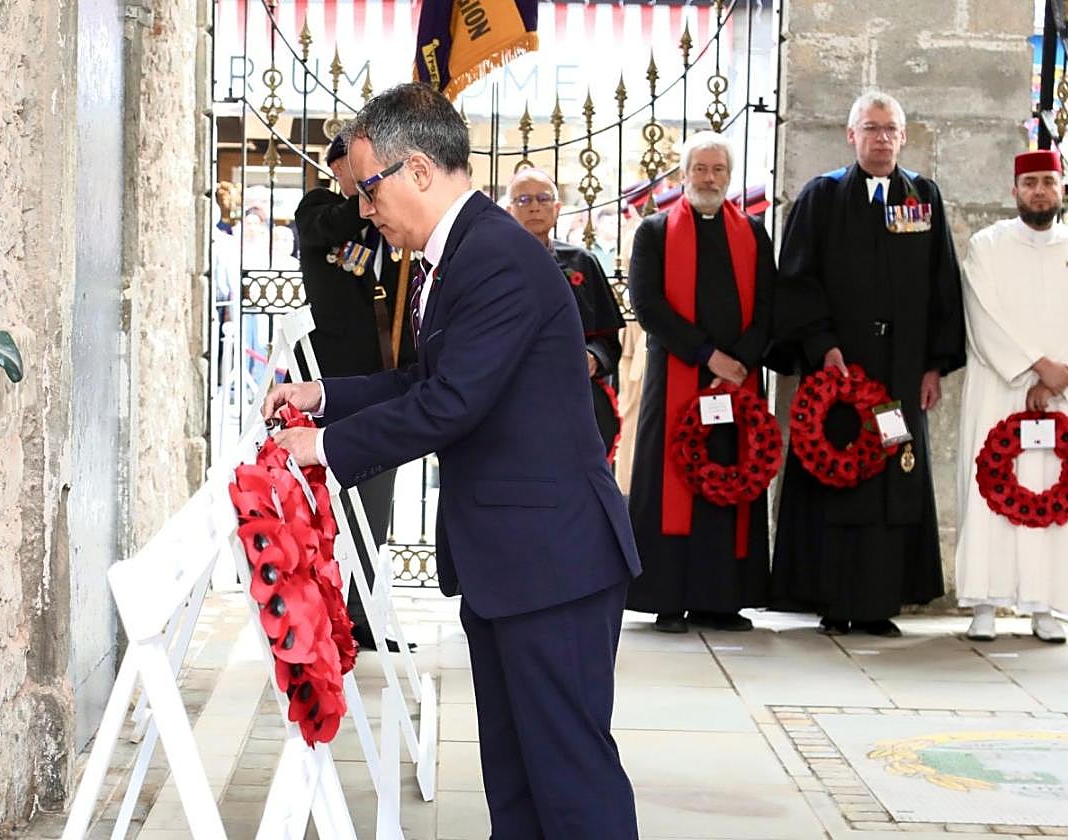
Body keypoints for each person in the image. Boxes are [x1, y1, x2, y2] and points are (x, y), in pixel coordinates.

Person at [262, 82, 640, 839]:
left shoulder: (492, 257)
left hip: (551, 562)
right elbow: (421, 380)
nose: (364, 211)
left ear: (418, 172)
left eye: (369, 189)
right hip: (513, 561)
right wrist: (324, 397)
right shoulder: (461, 252)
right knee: (517, 780)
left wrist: (325, 448)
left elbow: (449, 405)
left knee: (570, 783)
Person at [771, 90, 966, 637]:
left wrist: (934, 365)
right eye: (871, 128)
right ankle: (833, 600)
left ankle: (881, 603)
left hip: (902, 373)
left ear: (904, 137)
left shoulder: (922, 198)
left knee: (892, 480)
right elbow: (798, 279)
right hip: (841, 372)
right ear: (850, 134)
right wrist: (821, 345)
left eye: (891, 129)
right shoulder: (822, 197)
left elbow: (941, 284)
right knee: (839, 477)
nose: (881, 138)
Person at [625, 131, 784, 634]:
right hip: (677, 376)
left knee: (731, 478)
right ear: (684, 174)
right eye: (700, 169)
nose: (709, 178)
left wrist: (739, 360)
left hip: (737, 382)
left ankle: (723, 599)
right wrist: (706, 355)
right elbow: (647, 305)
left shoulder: (754, 233)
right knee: (670, 482)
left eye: (718, 170)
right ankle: (668, 598)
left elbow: (768, 305)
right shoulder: (653, 231)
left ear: (729, 177)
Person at [956, 150, 1068, 643]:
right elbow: (984, 316)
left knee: (1054, 493)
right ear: (1014, 190)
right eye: (1030, 183)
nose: (1039, 191)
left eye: (1048, 182)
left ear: (1061, 189)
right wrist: (1034, 368)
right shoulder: (987, 246)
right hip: (1003, 390)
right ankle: (985, 603)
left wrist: (1058, 376)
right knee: (992, 494)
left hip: (1065, 394)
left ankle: (1047, 606)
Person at [294, 132, 418, 651]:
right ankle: (312, 616)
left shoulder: (393, 227)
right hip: (327, 386)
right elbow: (336, 224)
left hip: (381, 382)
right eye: (358, 168)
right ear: (340, 168)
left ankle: (360, 617)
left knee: (372, 513)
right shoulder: (319, 208)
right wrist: (371, 194)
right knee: (323, 512)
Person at [505, 167, 625, 460]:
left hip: (575, 401)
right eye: (523, 200)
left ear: (557, 209)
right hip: (512, 403)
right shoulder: (490, 264)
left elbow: (608, 340)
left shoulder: (583, 262)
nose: (534, 206)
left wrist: (593, 358)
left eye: (543, 198)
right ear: (508, 210)